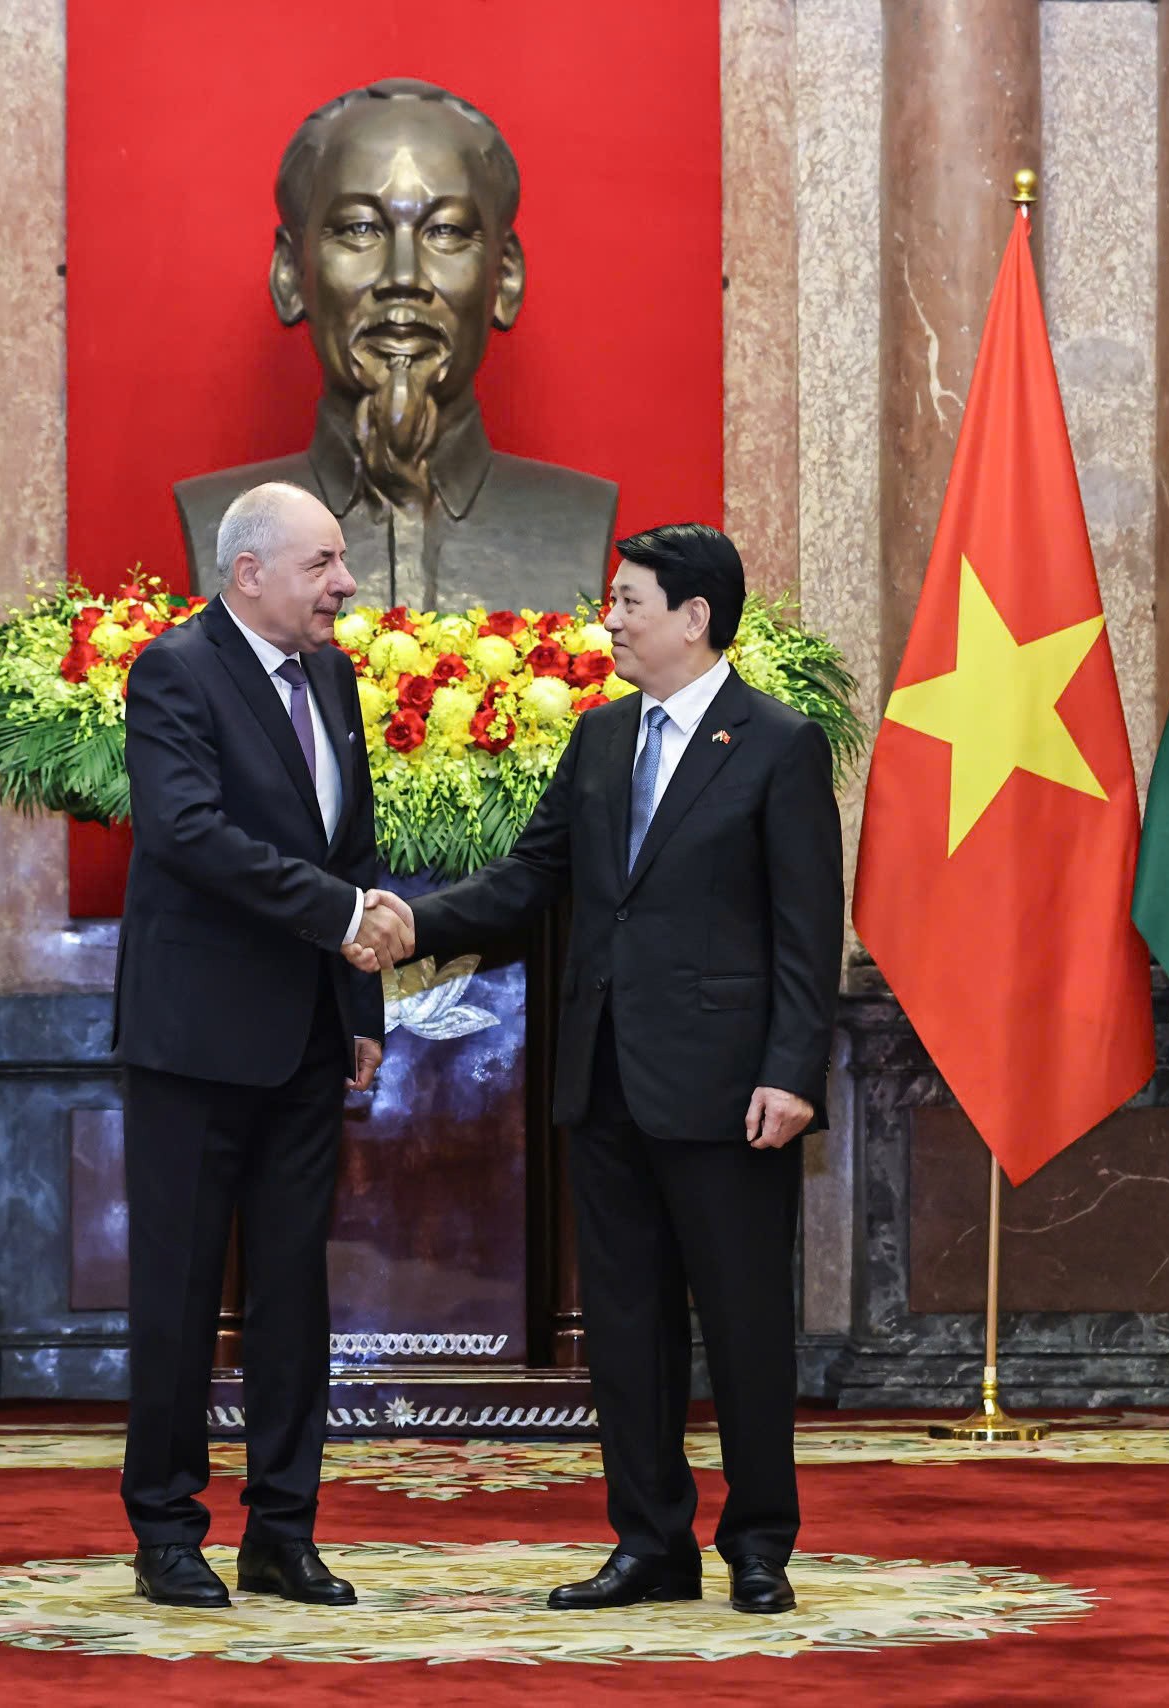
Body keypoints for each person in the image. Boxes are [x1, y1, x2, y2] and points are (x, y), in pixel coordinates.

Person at [350, 524, 840, 1615]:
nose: (607, 620)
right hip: (606, 1081)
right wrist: (411, 922)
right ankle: (650, 1544)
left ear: (694, 617)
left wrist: (792, 1071)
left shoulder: (777, 742)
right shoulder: (602, 735)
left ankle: (759, 1544)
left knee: (745, 1327)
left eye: (627, 602)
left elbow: (808, 929)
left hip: (730, 1091)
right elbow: (530, 880)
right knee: (625, 1329)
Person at [115, 480, 411, 1609]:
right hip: (194, 1039)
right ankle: (166, 1530)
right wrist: (340, 917)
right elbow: (187, 832)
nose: (345, 584)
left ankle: (283, 1530)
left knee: (293, 1297)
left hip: (307, 1037)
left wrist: (362, 1005)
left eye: (341, 562)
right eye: (323, 563)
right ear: (249, 573)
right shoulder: (175, 671)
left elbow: (353, 844)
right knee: (182, 1291)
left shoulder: (329, 675)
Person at [174, 77, 617, 613]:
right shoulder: (217, 521)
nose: (403, 277)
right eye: (360, 229)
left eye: (445, 231)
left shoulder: (579, 519)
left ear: (504, 278)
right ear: (290, 274)